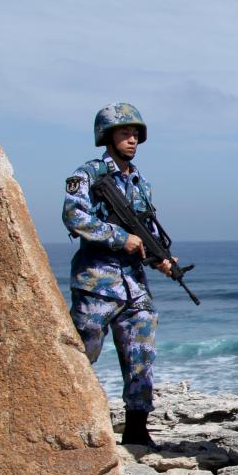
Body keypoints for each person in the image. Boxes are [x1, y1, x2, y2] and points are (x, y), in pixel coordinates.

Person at [63, 102, 174, 447]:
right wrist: (118, 238)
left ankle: (137, 429)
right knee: (82, 355)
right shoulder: (87, 175)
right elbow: (75, 217)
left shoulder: (141, 183)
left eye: (135, 134)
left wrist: (161, 258)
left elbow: (146, 229)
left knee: (141, 356)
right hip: (98, 282)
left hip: (134, 286)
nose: (132, 140)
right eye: (124, 133)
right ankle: (67, 418)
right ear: (107, 136)